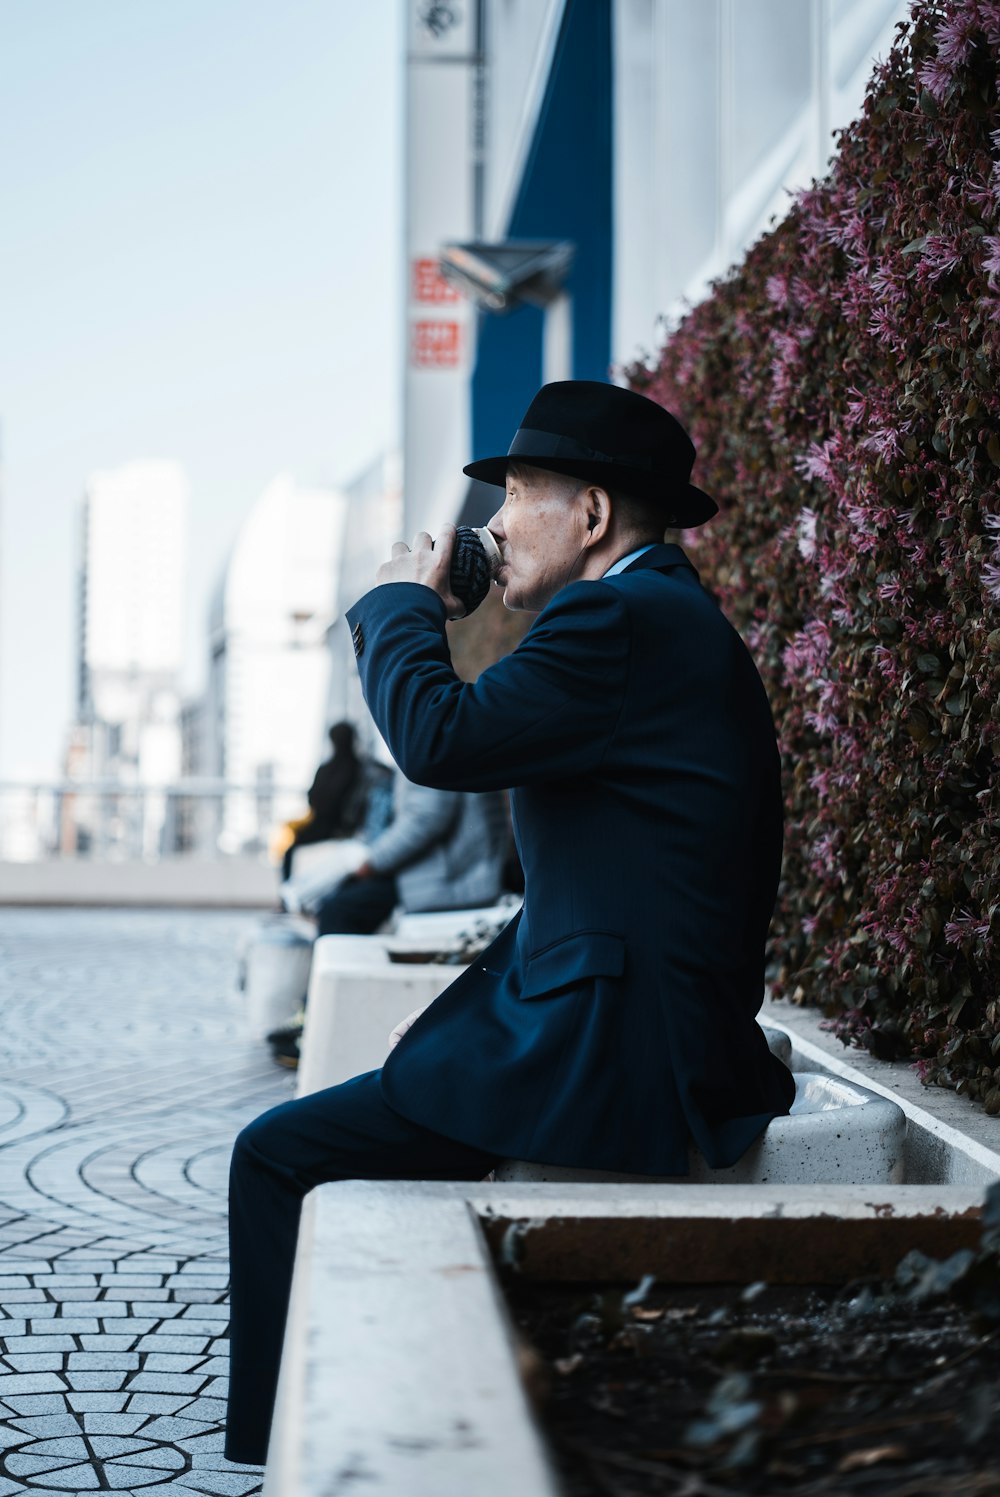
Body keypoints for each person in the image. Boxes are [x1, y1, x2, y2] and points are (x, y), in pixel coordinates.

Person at [225, 379, 795, 1465]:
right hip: (616, 1019)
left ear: (588, 517)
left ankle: (277, 1457)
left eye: (515, 495)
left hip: (616, 1047)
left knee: (277, 1156)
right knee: (301, 1144)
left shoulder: (617, 615)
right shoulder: (657, 616)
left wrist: (400, 600)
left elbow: (441, 740)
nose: (486, 526)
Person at [267, 772, 508, 1066]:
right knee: (342, 903)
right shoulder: (437, 740)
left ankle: (320, 1022)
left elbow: (426, 819)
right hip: (437, 873)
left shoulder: (427, 745)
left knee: (339, 910)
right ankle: (315, 1013)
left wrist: (371, 862)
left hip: (445, 878)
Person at [279, 722, 365, 882]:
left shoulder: (329, 769)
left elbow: (314, 798)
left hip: (332, 827)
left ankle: (287, 894)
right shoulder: (360, 769)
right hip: (346, 827)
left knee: (290, 851)